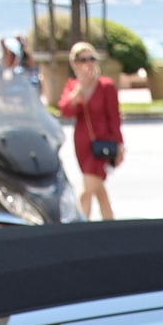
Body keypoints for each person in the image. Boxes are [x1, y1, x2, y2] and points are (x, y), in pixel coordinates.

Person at [57, 40, 122, 221]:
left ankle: (78, 226)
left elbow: (114, 118)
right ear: (75, 63)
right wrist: (80, 88)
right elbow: (65, 110)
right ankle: (110, 224)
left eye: (91, 59)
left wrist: (119, 145)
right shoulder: (72, 86)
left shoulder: (106, 86)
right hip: (83, 143)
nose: (88, 63)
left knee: (87, 189)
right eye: (82, 59)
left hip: (102, 145)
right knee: (98, 188)